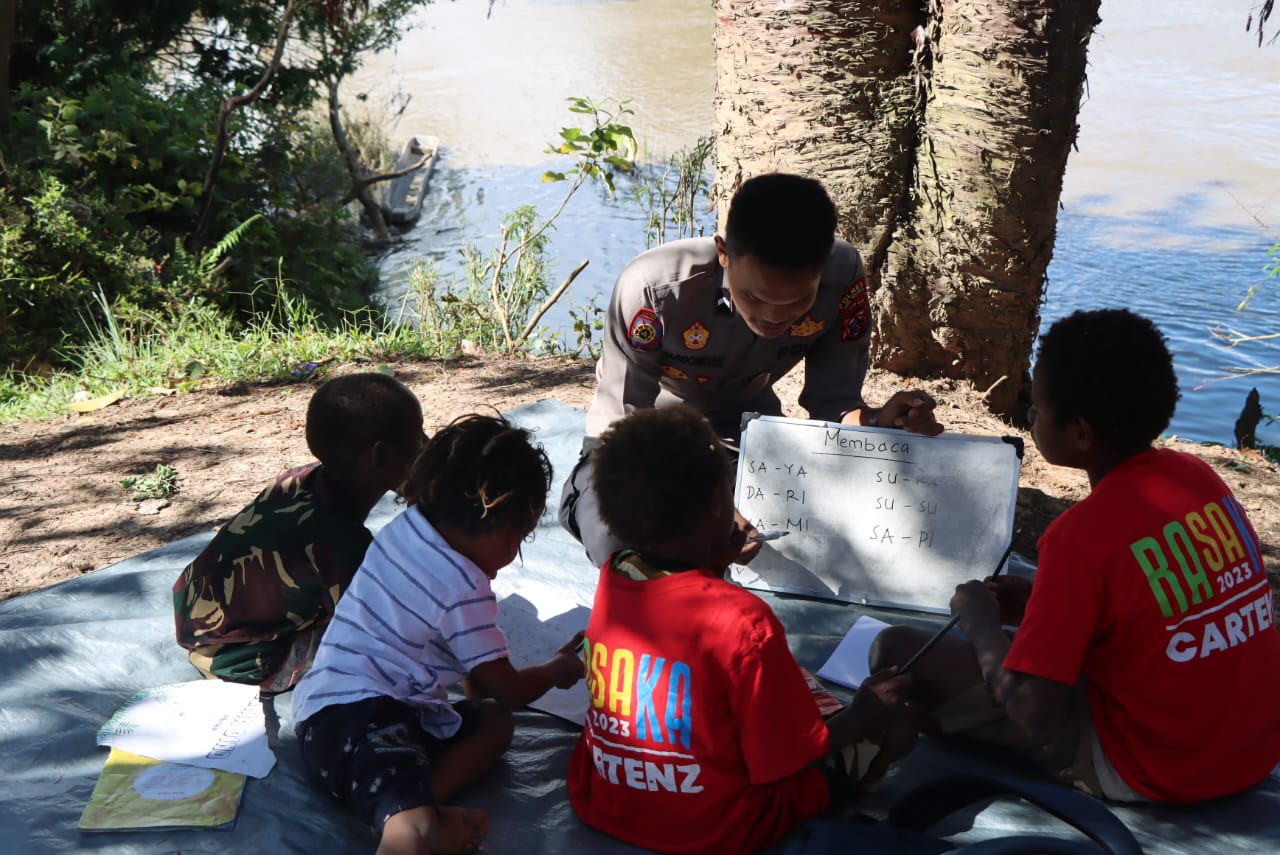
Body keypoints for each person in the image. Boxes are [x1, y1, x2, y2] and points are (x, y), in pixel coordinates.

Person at [869, 309, 1280, 804]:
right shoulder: (1198, 478)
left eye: (1037, 410)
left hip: (1154, 768)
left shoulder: (1077, 537)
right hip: (1252, 748)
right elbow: (1158, 609)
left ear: (1081, 433)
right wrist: (1037, 602)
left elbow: (1033, 715)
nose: (1030, 417)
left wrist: (979, 624)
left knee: (894, 650)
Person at [567, 406, 917, 854]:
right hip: (722, 825)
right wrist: (864, 714)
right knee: (897, 723)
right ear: (719, 504)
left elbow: (679, 603)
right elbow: (792, 757)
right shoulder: (745, 621)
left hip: (610, 800)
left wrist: (713, 560)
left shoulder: (616, 573)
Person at [560, 172, 943, 567]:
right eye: (753, 297)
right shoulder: (653, 288)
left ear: (823, 269)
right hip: (645, 442)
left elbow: (834, 405)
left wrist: (879, 421)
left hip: (744, 442)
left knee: (832, 528)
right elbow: (620, 440)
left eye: (797, 302)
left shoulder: (843, 277)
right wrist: (695, 506)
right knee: (617, 535)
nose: (772, 317)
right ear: (723, 253)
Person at [291, 414, 585, 855]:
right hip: (358, 719)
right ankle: (407, 823)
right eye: (521, 539)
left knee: (493, 720)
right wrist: (558, 668)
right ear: (505, 533)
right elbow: (506, 690)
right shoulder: (463, 586)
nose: (514, 554)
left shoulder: (405, 529)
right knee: (416, 827)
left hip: (336, 715)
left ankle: (405, 806)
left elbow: (481, 688)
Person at [173, 372, 425, 693]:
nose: (427, 444)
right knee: (384, 652)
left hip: (196, 617)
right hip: (242, 659)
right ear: (381, 456)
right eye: (419, 436)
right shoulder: (341, 545)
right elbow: (384, 628)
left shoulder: (298, 479)